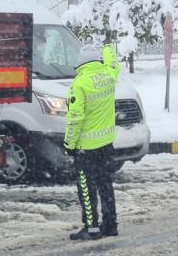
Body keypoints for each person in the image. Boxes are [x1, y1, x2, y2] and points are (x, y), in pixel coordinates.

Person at [64, 44, 120, 241]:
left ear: (80, 62)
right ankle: (110, 224)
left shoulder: (79, 83)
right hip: (106, 144)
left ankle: (92, 227)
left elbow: (75, 117)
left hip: (86, 149)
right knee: (105, 184)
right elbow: (113, 61)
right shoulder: (108, 74)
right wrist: (106, 46)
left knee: (86, 188)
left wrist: (69, 144)